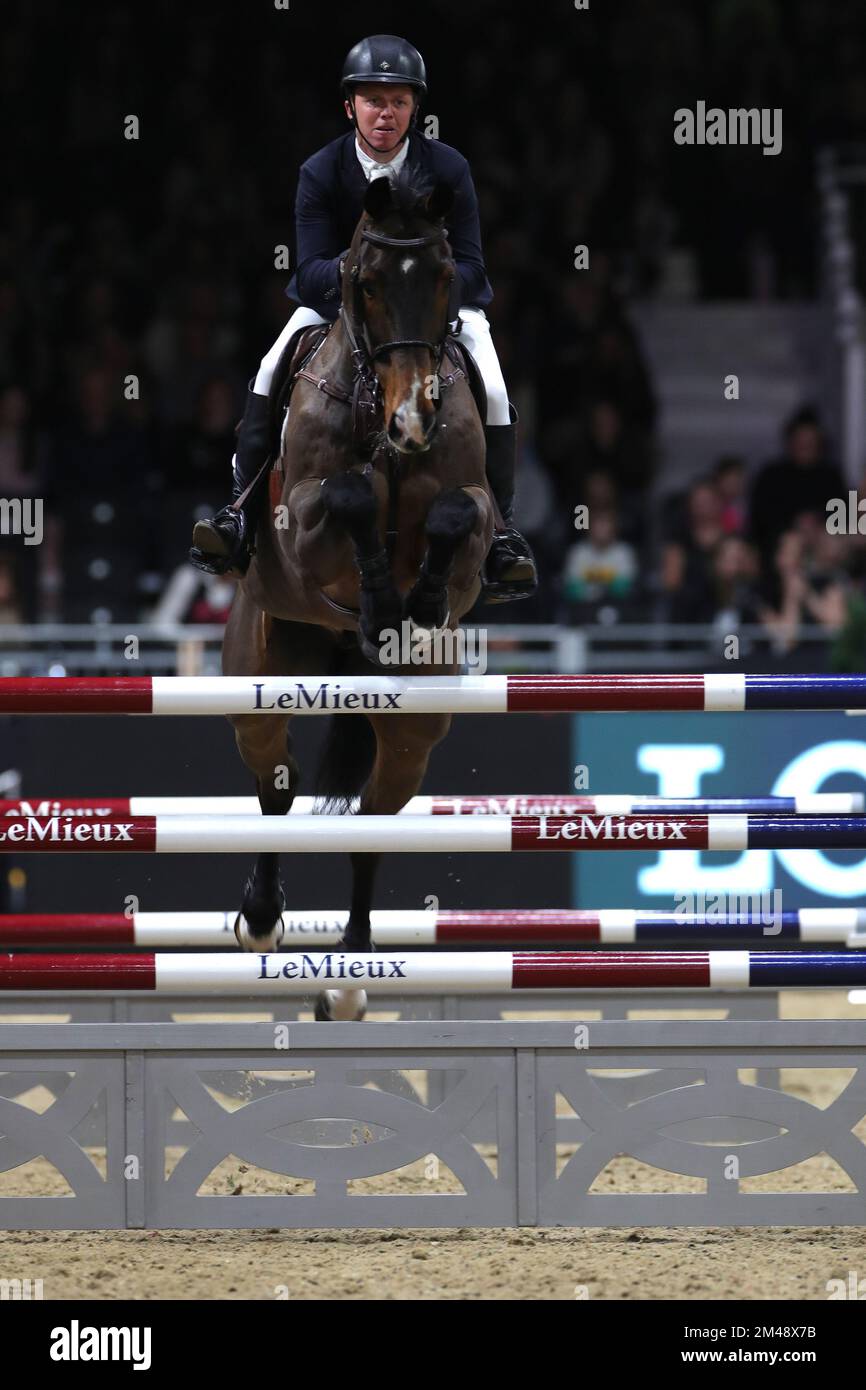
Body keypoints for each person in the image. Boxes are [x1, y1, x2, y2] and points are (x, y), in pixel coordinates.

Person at [190, 34, 537, 601]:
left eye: (399, 101)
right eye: (374, 100)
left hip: (430, 314)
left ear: (414, 108)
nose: (386, 113)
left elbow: (474, 269)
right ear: (350, 105)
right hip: (338, 307)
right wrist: (365, 286)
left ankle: (501, 532)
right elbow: (306, 273)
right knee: (267, 368)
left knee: (494, 391)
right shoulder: (321, 171)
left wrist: (421, 296)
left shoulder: (447, 168)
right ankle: (240, 512)